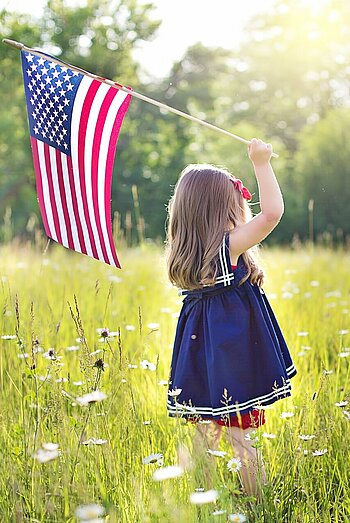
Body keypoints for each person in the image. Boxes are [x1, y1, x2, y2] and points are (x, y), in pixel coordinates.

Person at [165, 138, 297, 497]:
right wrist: (261, 163)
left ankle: (201, 502)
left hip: (199, 356)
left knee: (205, 434)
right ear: (221, 208)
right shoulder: (228, 247)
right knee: (243, 438)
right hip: (232, 353)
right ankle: (256, 505)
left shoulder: (185, 251)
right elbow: (271, 214)